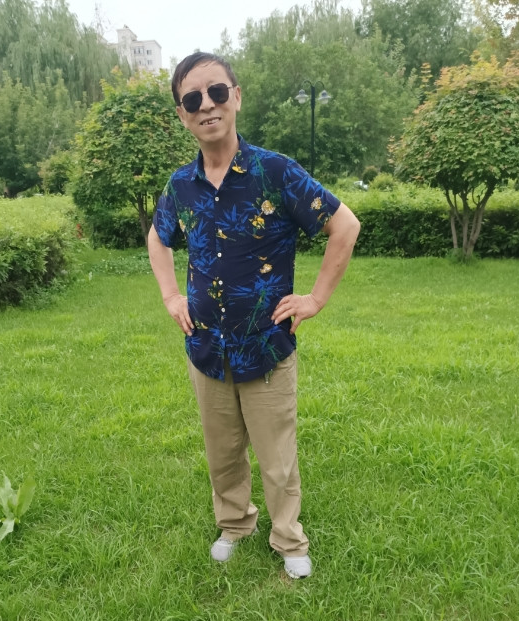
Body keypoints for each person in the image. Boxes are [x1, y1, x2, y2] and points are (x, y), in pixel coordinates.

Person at [148, 52, 360, 579]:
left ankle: (288, 538)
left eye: (216, 92)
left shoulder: (276, 172)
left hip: (266, 345)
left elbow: (345, 225)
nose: (207, 106)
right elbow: (158, 236)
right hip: (206, 347)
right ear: (182, 114)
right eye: (192, 99)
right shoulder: (180, 186)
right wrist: (171, 296)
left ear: (236, 97)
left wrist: (315, 299)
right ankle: (235, 524)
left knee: (276, 456)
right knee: (222, 452)